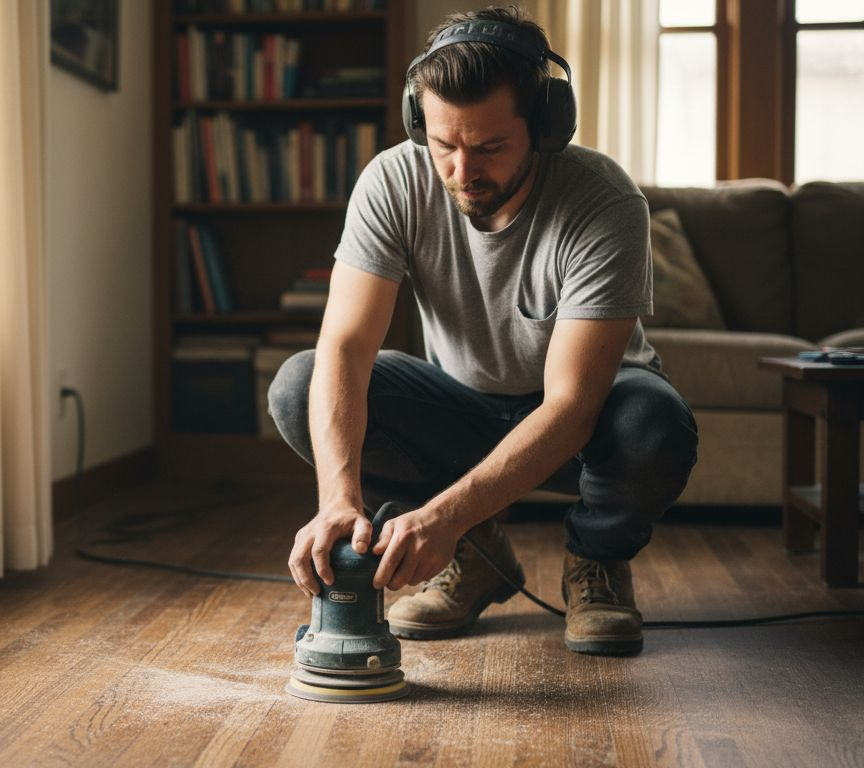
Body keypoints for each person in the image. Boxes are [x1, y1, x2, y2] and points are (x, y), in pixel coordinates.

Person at [268, 5, 698, 656]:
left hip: (591, 418)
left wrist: (442, 515)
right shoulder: (392, 181)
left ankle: (596, 565)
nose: (462, 172)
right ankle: (475, 559)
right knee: (300, 384)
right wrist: (338, 502)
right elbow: (347, 348)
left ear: (546, 127)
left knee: (654, 425)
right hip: (462, 404)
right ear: (421, 124)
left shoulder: (604, 201)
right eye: (444, 146)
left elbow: (570, 406)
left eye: (490, 147)